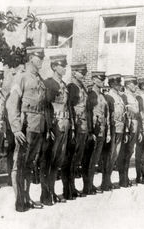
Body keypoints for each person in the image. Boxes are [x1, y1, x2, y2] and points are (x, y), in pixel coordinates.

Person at [6, 46, 45, 212]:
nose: (41, 60)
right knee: (19, 164)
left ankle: (27, 197)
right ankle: (19, 200)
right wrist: (15, 128)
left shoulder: (40, 79)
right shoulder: (21, 77)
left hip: (38, 126)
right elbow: (12, 103)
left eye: (42, 57)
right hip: (25, 126)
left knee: (29, 164)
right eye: (38, 57)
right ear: (30, 58)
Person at [41, 54, 70, 205]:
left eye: (65, 65)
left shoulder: (63, 84)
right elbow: (45, 107)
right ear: (54, 67)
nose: (65, 68)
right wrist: (48, 127)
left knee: (58, 161)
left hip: (64, 125)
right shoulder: (49, 83)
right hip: (54, 126)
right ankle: (45, 194)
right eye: (62, 65)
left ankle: (51, 191)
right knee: (49, 160)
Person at [63, 63, 88, 200]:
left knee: (76, 158)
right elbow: (70, 107)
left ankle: (72, 187)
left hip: (83, 125)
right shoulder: (72, 87)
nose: (83, 75)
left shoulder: (81, 86)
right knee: (70, 158)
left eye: (84, 72)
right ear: (74, 73)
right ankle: (67, 188)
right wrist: (72, 126)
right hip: (76, 125)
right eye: (81, 72)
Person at [85, 71, 110, 194]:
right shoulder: (90, 94)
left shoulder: (102, 95)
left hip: (102, 130)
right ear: (94, 80)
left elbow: (106, 114)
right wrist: (90, 131)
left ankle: (91, 184)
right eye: (99, 80)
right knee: (90, 159)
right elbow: (88, 113)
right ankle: (88, 186)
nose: (102, 82)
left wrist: (108, 132)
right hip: (94, 130)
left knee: (94, 160)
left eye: (103, 80)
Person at [101, 74, 126, 191]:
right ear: (111, 84)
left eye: (119, 84)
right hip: (113, 129)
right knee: (109, 156)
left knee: (114, 156)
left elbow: (123, 114)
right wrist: (109, 133)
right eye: (116, 84)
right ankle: (105, 182)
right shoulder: (108, 96)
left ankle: (108, 180)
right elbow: (107, 115)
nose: (119, 86)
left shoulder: (119, 97)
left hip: (120, 128)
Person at [119, 76, 143, 187]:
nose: (135, 86)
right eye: (134, 84)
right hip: (128, 127)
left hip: (135, 126)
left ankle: (126, 176)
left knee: (129, 152)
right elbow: (126, 112)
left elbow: (138, 115)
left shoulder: (134, 97)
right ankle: (122, 179)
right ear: (128, 84)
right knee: (124, 152)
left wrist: (140, 131)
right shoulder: (124, 96)